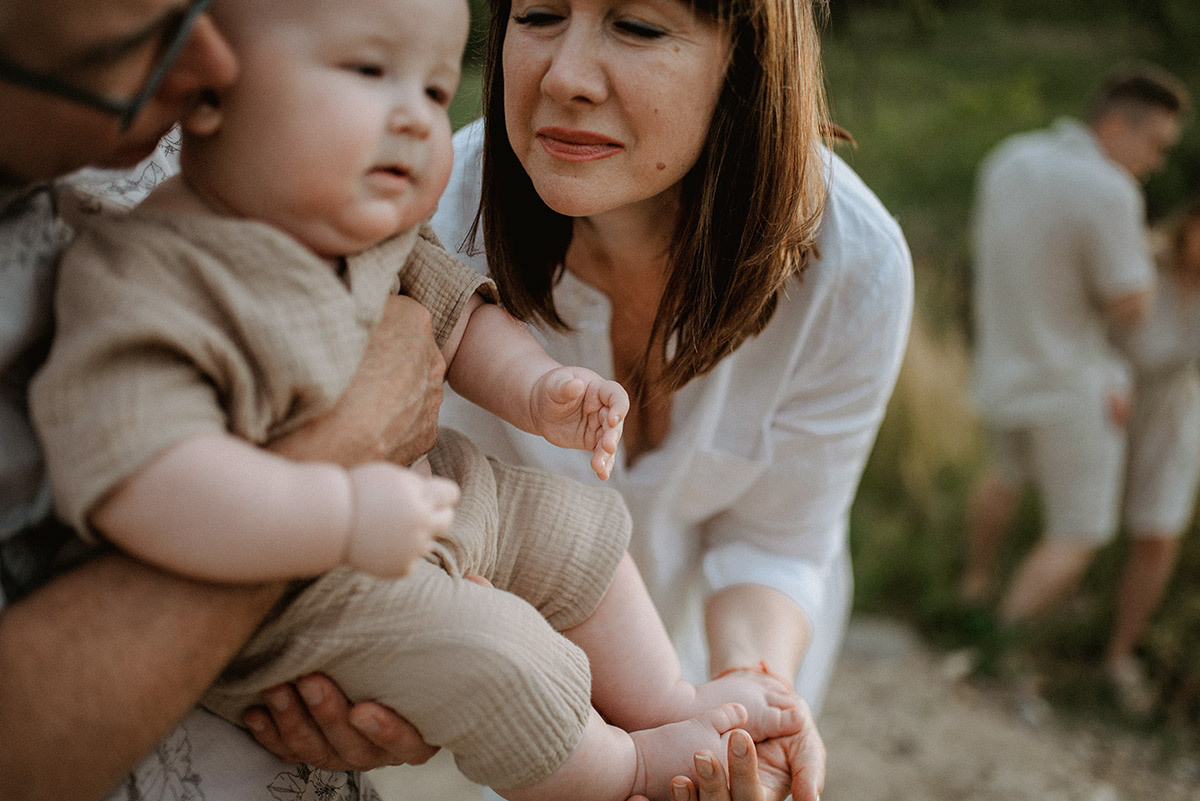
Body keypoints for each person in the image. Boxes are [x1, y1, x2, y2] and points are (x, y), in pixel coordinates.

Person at [29, 0, 813, 798]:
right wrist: (339, 510)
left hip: (432, 493)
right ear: (205, 92)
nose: (414, 119)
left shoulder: (358, 222)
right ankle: (625, 768)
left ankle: (666, 699)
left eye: (437, 93)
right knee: (494, 652)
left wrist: (539, 389)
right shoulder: (143, 274)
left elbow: (459, 316)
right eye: (370, 73)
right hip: (301, 594)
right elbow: (144, 482)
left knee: (581, 536)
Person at [410, 0, 913, 798]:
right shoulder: (422, 215)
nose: (565, 76)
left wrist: (748, 705)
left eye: (637, 27)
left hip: (731, 653)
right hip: (521, 693)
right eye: (538, 15)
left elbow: (776, 543)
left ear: (745, 64)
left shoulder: (855, 266)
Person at [0, 1, 448, 799]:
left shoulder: (198, 108)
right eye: (141, 32)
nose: (216, 66)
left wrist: (410, 657)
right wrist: (347, 447)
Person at [961, 66, 1190, 641]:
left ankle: (970, 592)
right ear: (1117, 125)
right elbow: (1132, 307)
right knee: (1080, 531)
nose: (1157, 162)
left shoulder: (1009, 158)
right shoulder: (1111, 190)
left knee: (1002, 480)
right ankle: (1001, 639)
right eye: (1156, 145)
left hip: (1001, 365)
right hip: (1071, 384)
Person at [1104, 197, 1200, 714]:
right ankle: (1016, 626)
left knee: (1159, 534)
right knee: (1089, 523)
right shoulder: (1140, 257)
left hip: (1177, 412)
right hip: (1115, 396)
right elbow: (1090, 322)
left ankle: (1119, 654)